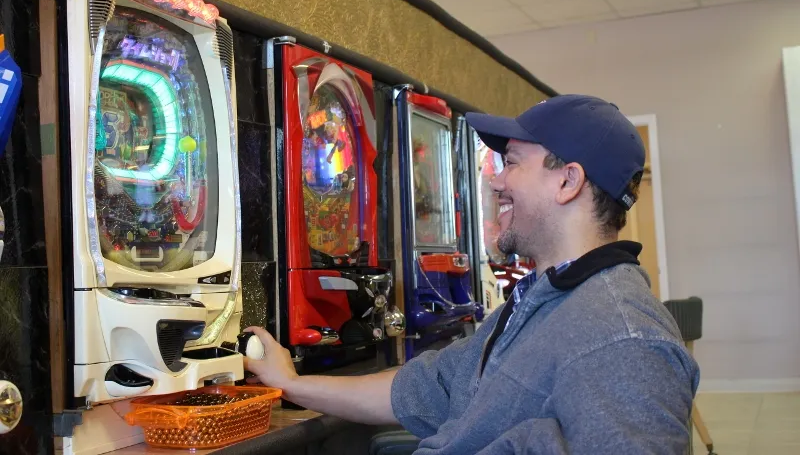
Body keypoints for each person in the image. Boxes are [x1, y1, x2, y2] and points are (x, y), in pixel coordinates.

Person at [244, 94, 700, 454]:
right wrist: (291, 384)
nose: (497, 181)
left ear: (568, 181)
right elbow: (423, 389)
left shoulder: (622, 339)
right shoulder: (539, 301)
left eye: (513, 163)